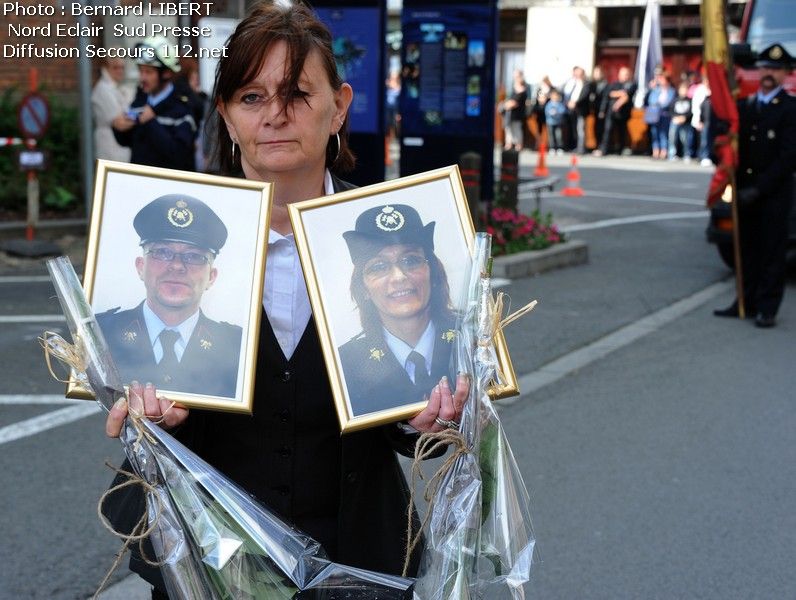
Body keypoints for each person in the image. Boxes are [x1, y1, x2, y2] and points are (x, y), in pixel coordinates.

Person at [103, 4, 468, 598]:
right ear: (224, 114)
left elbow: (405, 414)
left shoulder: (390, 240)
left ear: (339, 107)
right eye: (250, 97)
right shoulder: (176, 254)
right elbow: (142, 397)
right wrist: (154, 425)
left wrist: (425, 418)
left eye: (298, 93)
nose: (274, 115)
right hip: (206, 557)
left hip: (361, 560)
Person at [97, 194, 241, 399]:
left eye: (194, 256)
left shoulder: (238, 347)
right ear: (140, 267)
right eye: (162, 252)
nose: (176, 266)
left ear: (211, 277)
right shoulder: (101, 332)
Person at [338, 204, 459, 417]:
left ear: (432, 272)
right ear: (363, 288)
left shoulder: (471, 336)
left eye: (411, 260)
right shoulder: (345, 364)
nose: (399, 277)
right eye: (378, 266)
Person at [713, 43, 796, 328]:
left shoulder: (790, 109)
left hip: (772, 193)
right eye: (764, 67)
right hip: (745, 190)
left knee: (772, 252)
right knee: (747, 250)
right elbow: (731, 145)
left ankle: (767, 308)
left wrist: (759, 189)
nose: (768, 73)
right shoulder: (744, 107)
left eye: (775, 69)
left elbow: (788, 157)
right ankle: (744, 302)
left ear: (786, 74)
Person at [112, 36, 197, 171]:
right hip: (140, 184)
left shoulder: (182, 108)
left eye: (148, 72)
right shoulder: (140, 101)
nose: (142, 77)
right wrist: (117, 128)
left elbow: (179, 155)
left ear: (166, 73)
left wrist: (151, 122)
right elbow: (127, 142)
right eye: (141, 71)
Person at [91, 56, 131, 162]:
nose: (120, 71)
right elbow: (119, 123)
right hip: (110, 146)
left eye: (122, 67)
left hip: (120, 147)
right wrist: (141, 118)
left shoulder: (117, 88)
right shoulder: (103, 90)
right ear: (106, 68)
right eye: (116, 67)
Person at [594, 66, 637, 156]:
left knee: (622, 132)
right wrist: (620, 93)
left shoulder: (632, 84)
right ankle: (604, 149)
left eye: (626, 74)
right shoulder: (614, 84)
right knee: (608, 130)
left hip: (623, 113)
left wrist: (618, 99)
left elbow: (626, 95)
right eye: (622, 74)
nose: (624, 76)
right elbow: (609, 94)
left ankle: (620, 149)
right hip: (611, 113)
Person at [644, 70, 675, 160]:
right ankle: (655, 151)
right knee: (654, 133)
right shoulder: (656, 90)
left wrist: (658, 104)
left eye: (662, 79)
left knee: (663, 134)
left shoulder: (671, 91)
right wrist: (652, 89)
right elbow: (650, 100)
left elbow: (668, 102)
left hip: (664, 115)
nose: (660, 80)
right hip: (654, 115)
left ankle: (664, 151)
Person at [562, 66, 589, 153]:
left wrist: (575, 103)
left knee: (580, 129)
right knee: (573, 129)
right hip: (570, 110)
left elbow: (584, 95)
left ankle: (581, 148)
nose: (577, 75)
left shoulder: (586, 83)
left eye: (579, 74)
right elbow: (566, 94)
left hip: (580, 110)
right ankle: (573, 146)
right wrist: (568, 102)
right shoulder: (572, 83)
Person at [501, 69, 528, 151]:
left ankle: (518, 145)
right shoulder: (512, 87)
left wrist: (509, 104)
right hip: (509, 113)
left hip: (518, 114)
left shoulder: (524, 89)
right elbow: (508, 99)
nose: (516, 78)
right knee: (508, 129)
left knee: (516, 129)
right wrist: (506, 105)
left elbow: (516, 102)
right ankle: (508, 144)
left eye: (517, 76)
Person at [668, 82, 694, 161]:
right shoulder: (675, 100)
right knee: (672, 137)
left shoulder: (690, 100)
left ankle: (687, 154)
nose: (684, 91)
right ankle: (672, 153)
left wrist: (684, 117)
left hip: (686, 122)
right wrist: (676, 117)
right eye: (682, 89)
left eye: (685, 89)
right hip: (676, 121)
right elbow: (671, 111)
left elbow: (691, 111)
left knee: (686, 139)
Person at [587, 65, 607, 152]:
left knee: (601, 128)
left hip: (601, 110)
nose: (596, 75)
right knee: (595, 128)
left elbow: (605, 99)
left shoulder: (605, 84)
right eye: (595, 73)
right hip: (594, 110)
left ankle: (601, 147)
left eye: (598, 73)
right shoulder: (592, 84)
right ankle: (596, 145)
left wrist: (602, 110)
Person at [544, 89, 567, 154]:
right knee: (551, 136)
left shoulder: (560, 104)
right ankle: (552, 148)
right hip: (550, 122)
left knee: (559, 135)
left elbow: (563, 110)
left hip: (558, 122)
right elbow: (546, 111)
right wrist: (550, 112)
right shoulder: (549, 104)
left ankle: (560, 147)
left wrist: (557, 112)